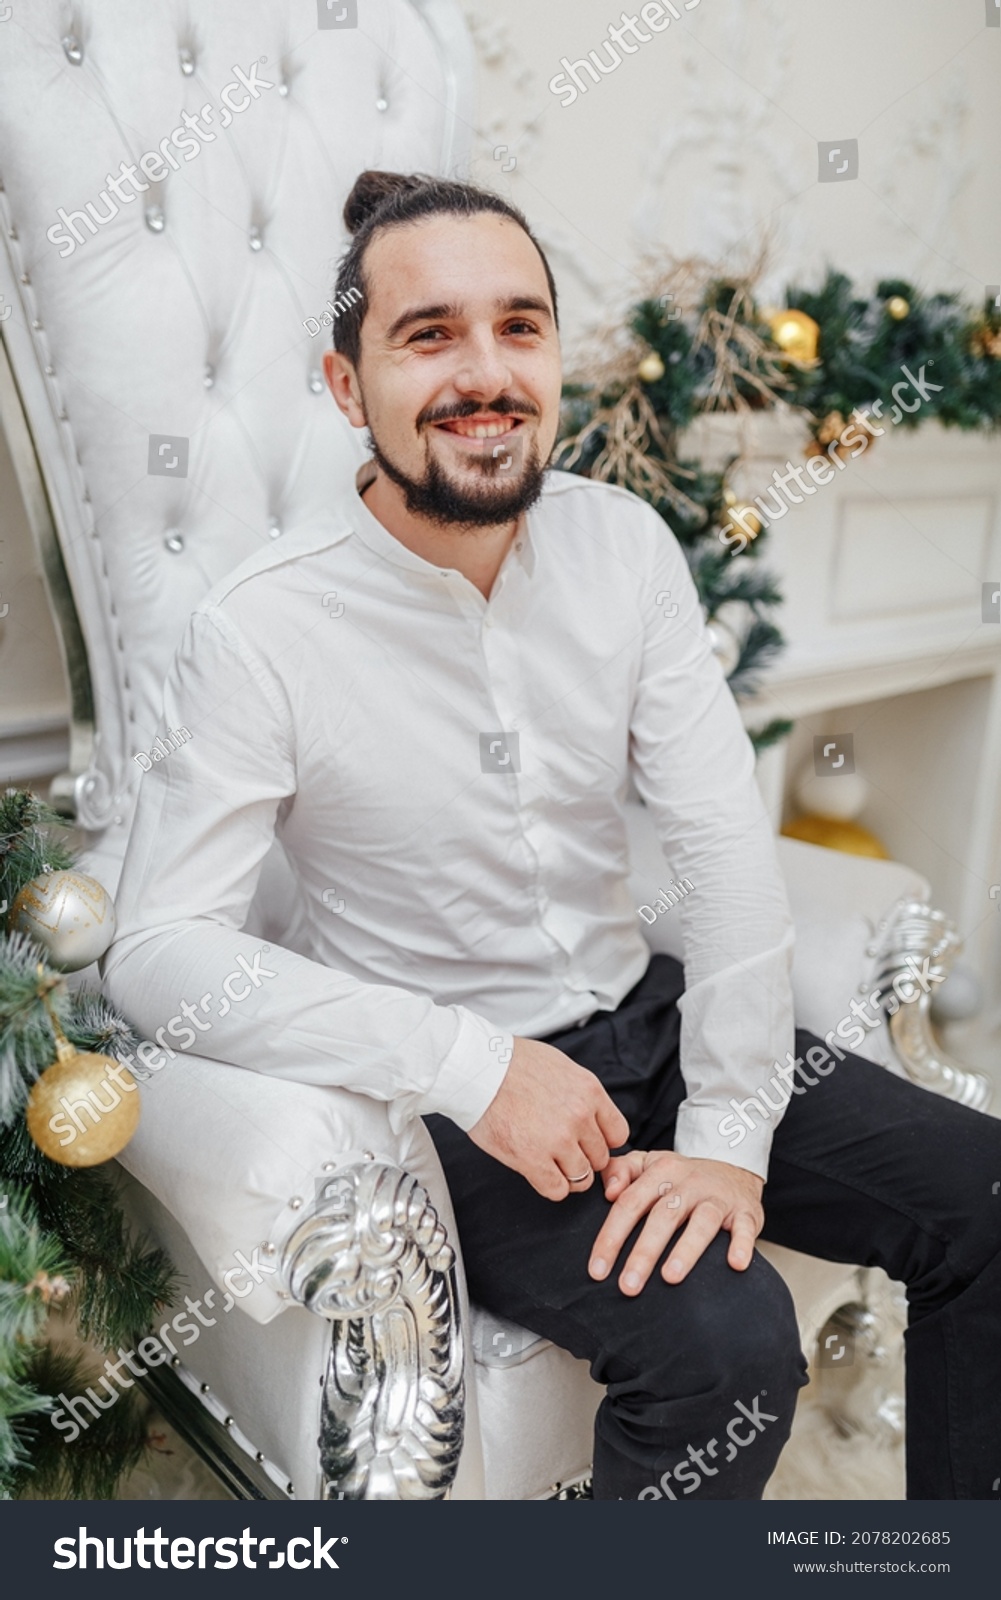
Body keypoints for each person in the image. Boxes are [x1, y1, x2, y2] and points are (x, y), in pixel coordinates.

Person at [102, 169, 1001, 1501]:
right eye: (428, 334)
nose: (485, 371)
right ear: (346, 387)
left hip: (645, 1019)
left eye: (520, 327)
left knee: (980, 1194)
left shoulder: (624, 546)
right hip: (459, 1107)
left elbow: (716, 850)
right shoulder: (262, 630)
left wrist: (726, 1133)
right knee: (724, 1341)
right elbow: (157, 953)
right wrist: (471, 1066)